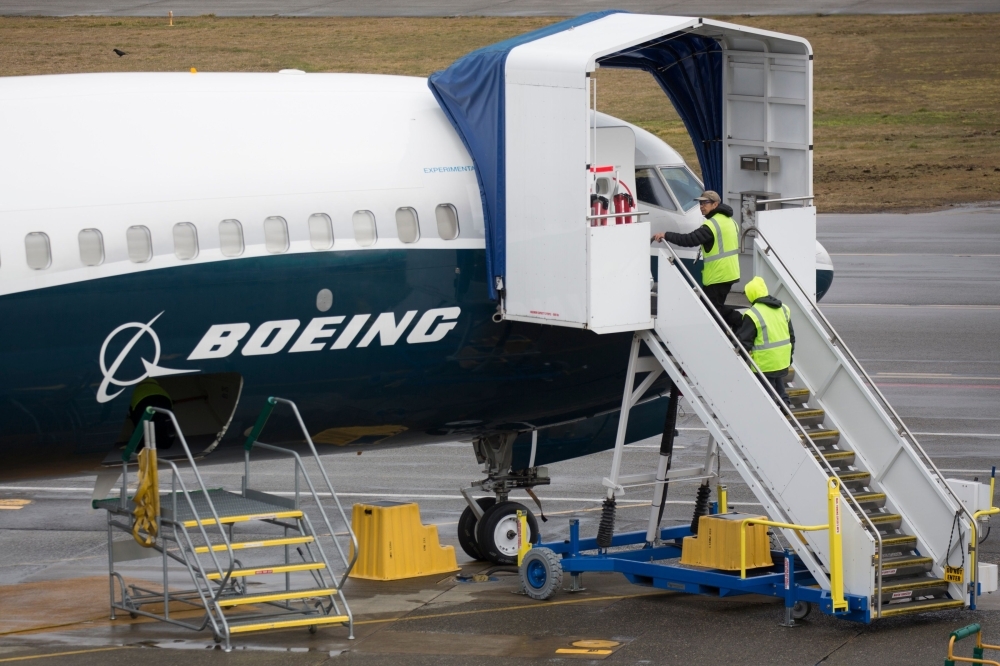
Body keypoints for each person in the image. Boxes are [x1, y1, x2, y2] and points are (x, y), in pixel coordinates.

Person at [651, 190, 741, 329]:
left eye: (705, 203)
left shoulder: (712, 225)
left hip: (718, 275)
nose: (701, 206)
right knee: (712, 309)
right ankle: (731, 330)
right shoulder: (731, 222)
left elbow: (690, 240)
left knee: (710, 310)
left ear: (715, 204)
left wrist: (666, 235)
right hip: (728, 273)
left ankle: (741, 322)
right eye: (700, 203)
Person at [736, 277, 795, 405]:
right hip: (782, 359)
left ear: (752, 294)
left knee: (766, 394)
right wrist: (789, 356)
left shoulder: (752, 314)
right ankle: (785, 403)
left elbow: (744, 342)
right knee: (778, 380)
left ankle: (775, 410)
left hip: (764, 363)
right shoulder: (783, 308)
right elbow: (792, 336)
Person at [129, 378, 175, 450]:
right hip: (164, 399)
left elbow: (131, 412)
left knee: (141, 425)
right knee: (165, 422)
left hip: (141, 402)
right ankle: (166, 443)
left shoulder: (135, 390)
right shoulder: (158, 388)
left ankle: (141, 446)